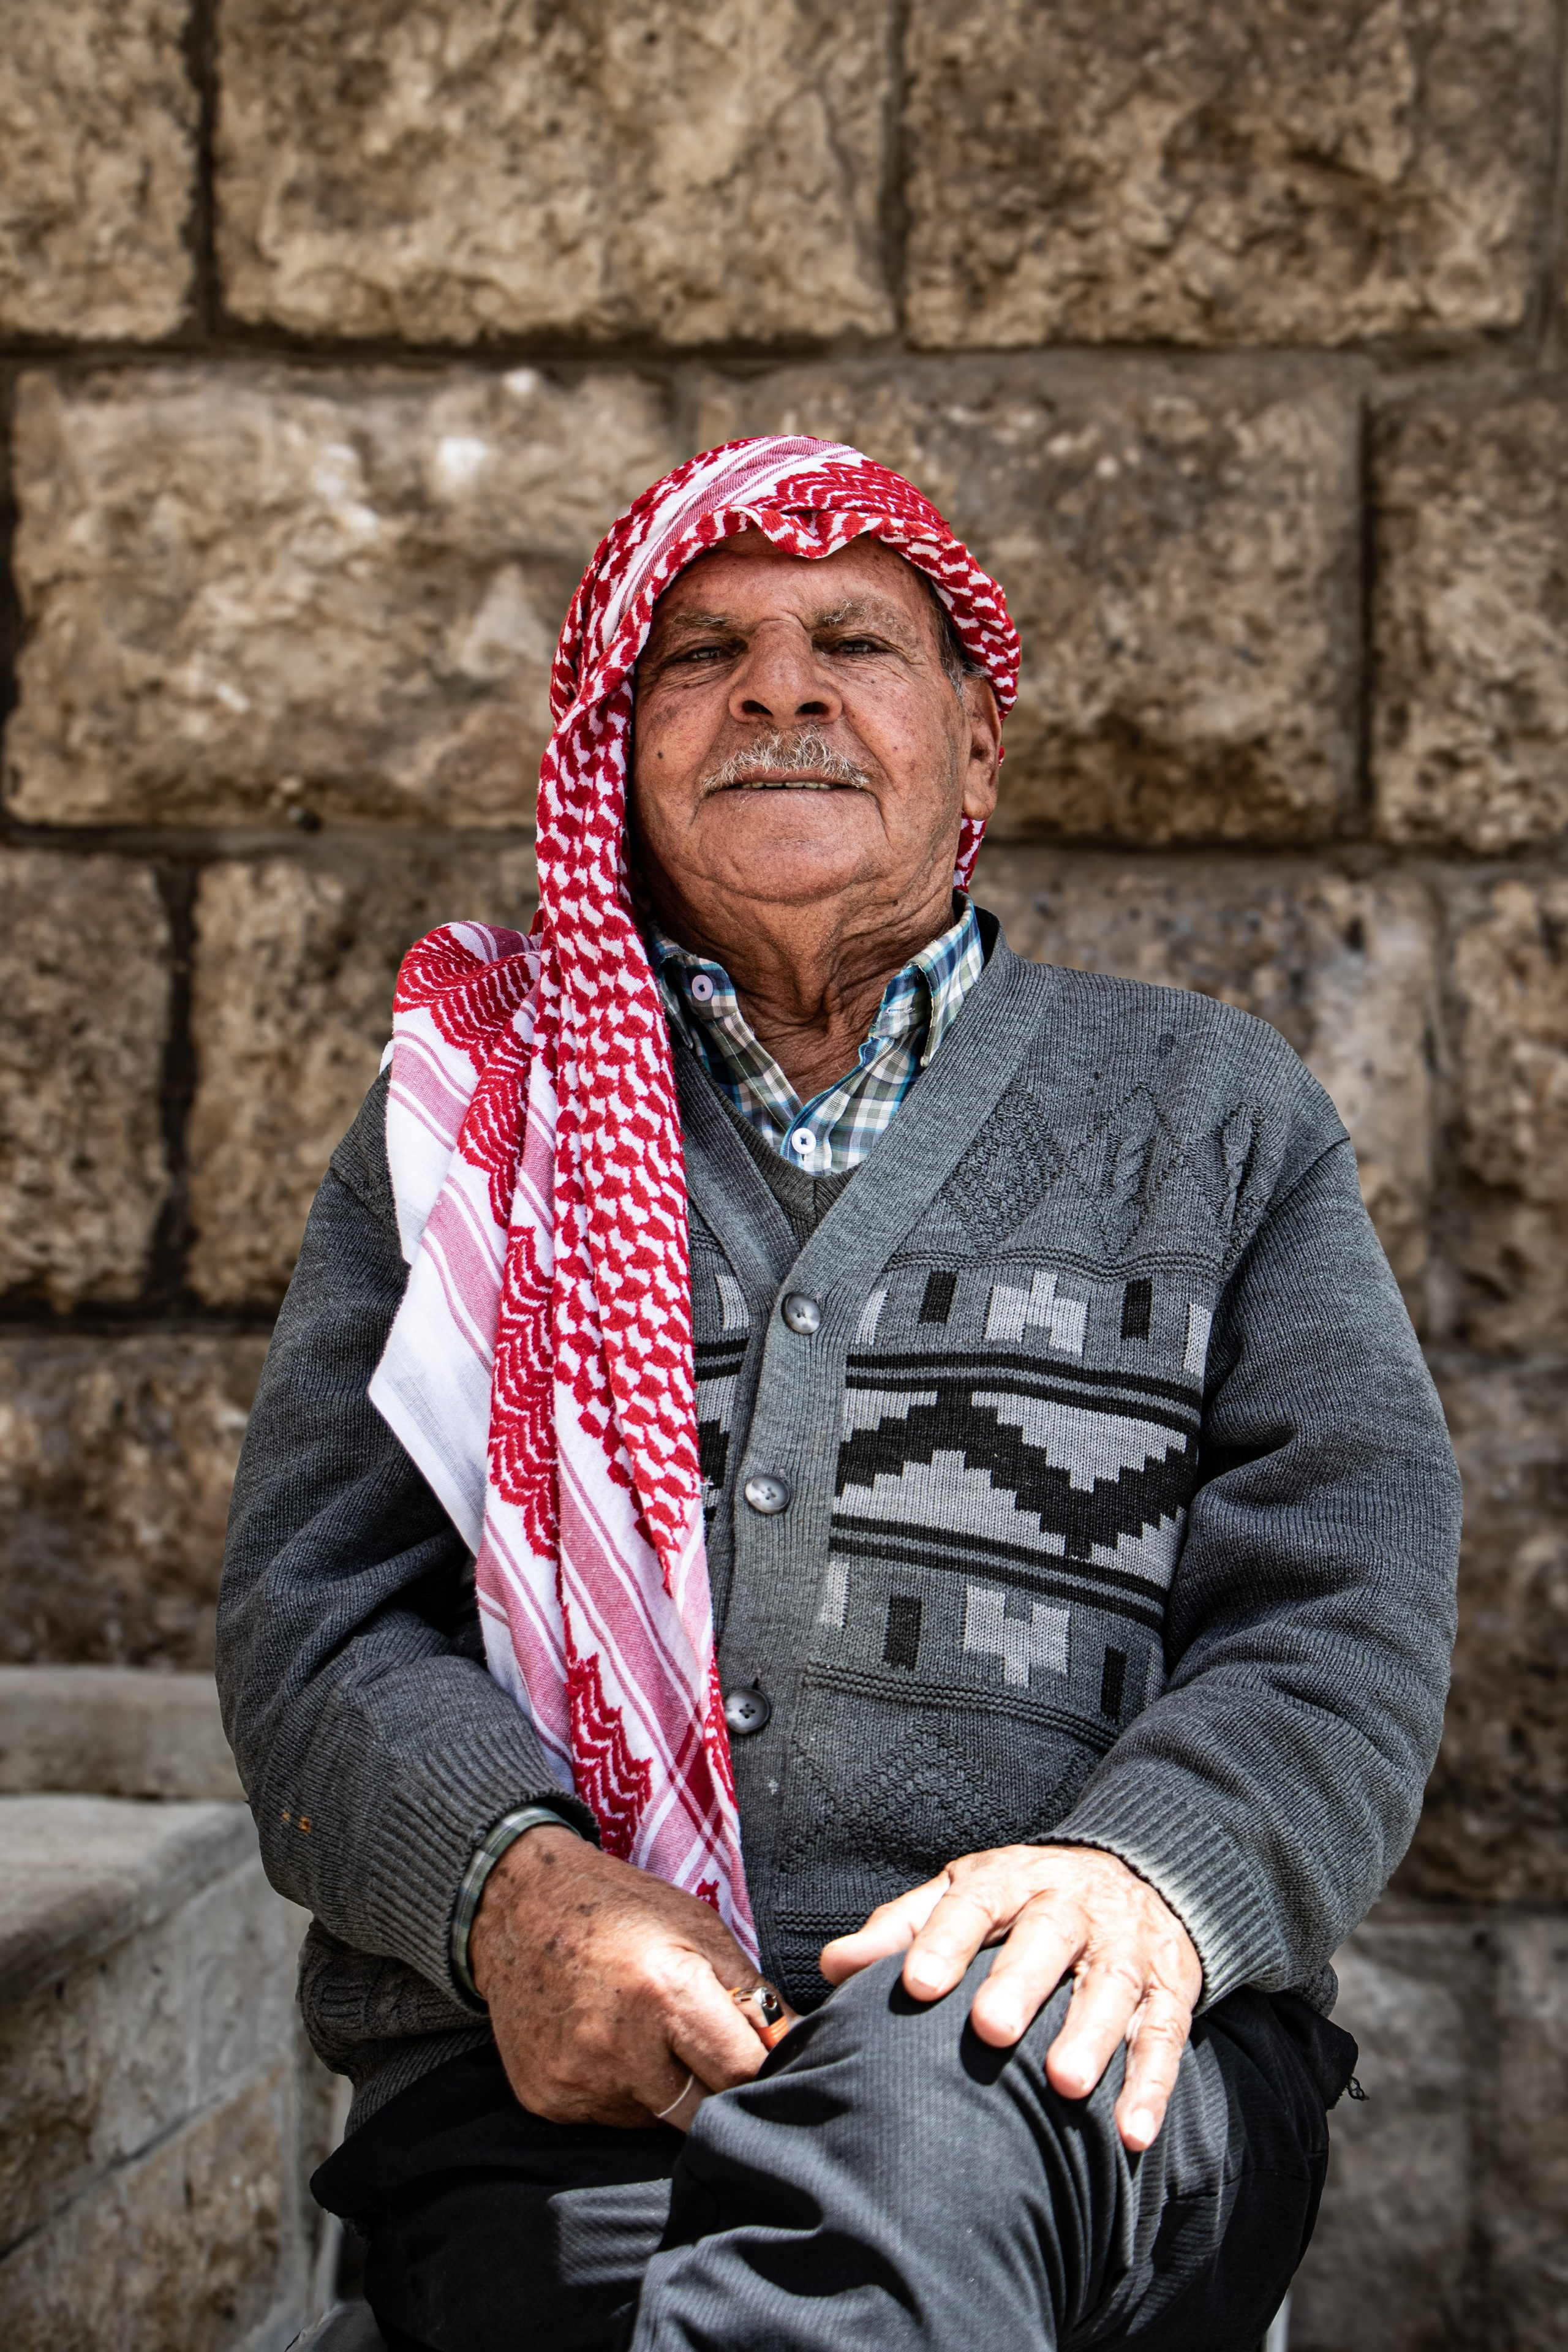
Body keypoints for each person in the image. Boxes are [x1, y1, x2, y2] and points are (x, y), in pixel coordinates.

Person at [218, 438, 1460, 2352]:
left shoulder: (1212, 1116)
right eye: (705, 650)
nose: (780, 689)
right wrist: (515, 1893)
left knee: (923, 2112)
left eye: (853, 642)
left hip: (1074, 2064)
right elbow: (324, 1618)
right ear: (617, 755)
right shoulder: (473, 1130)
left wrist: (1144, 1875)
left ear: (975, 751)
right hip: (569, 2079)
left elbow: (1346, 1601)